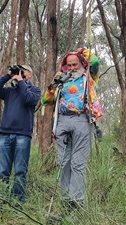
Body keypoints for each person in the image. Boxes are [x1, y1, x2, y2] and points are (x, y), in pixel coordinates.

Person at [42, 48, 102, 210]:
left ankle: (77, 202)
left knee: (78, 162)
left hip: (82, 119)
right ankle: (66, 200)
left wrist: (82, 51)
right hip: (62, 120)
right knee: (64, 162)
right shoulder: (62, 80)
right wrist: (53, 84)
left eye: (75, 64)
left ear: (81, 64)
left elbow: (95, 62)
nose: (72, 67)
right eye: (69, 65)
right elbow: (45, 101)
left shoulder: (88, 77)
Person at [0, 64, 41, 204]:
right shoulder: (9, 92)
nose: (19, 74)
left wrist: (21, 82)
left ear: (29, 75)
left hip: (23, 135)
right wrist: (8, 75)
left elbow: (28, 99)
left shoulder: (34, 90)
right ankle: (1, 199)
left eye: (22, 72)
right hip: (6, 134)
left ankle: (18, 201)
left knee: (19, 171)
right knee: (2, 171)